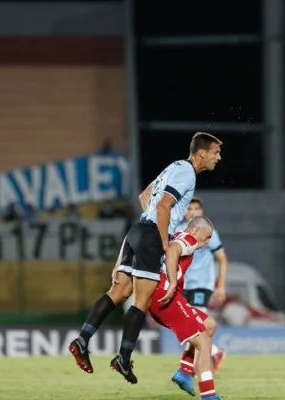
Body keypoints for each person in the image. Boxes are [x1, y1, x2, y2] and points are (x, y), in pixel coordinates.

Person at [68, 132, 222, 384]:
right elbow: (163, 206)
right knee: (142, 299)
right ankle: (123, 357)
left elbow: (145, 198)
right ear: (202, 152)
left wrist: (142, 238)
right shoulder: (187, 173)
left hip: (138, 231)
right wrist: (162, 241)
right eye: (216, 152)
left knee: (118, 292)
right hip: (151, 235)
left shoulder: (173, 167)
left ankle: (82, 339)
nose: (219, 157)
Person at [149, 216, 222, 399]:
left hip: (165, 296)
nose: (207, 242)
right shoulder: (189, 239)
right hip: (167, 297)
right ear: (196, 230)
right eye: (207, 237)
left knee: (210, 325)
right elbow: (172, 251)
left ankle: (184, 371)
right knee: (203, 341)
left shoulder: (178, 235)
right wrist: (173, 282)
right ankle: (208, 395)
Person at [174, 197, 228, 372]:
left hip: (202, 284)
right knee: (187, 324)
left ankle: (188, 369)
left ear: (201, 211)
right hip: (183, 284)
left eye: (196, 208)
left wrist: (220, 286)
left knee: (196, 324)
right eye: (189, 208)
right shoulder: (178, 230)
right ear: (184, 211)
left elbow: (222, 259)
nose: (192, 212)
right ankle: (214, 352)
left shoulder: (208, 232)